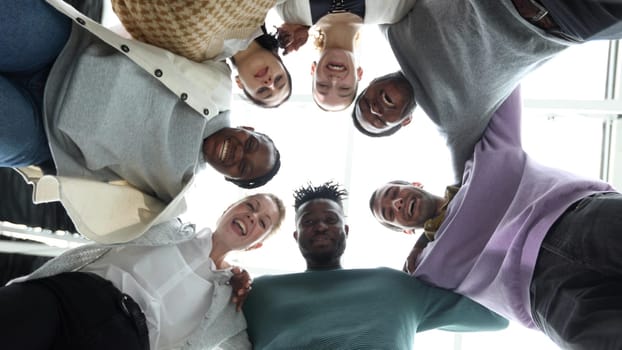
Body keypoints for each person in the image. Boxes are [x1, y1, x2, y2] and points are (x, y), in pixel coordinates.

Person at [1, 0, 281, 241]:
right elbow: (210, 23)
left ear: (230, 178)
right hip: (62, 49)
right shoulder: (218, 81)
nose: (238, 153)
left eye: (242, 167)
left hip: (39, 131)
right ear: (249, 129)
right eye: (250, 144)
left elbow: (166, 243)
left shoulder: (174, 193)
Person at [369, 88, 622, 350]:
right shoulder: (425, 269)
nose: (396, 203)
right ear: (404, 231)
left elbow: (501, 82)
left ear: (415, 183)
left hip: (580, 219)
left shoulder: (483, 159)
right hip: (548, 295)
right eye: (389, 213)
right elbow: (409, 310)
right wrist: (418, 254)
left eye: (393, 193)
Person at [352, 0, 622, 182]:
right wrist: (428, 235)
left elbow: (351, 11)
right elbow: (466, 189)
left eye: (365, 103)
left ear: (371, 82)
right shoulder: (452, 124)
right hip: (568, 22)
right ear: (405, 120)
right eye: (379, 120)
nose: (375, 109)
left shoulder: (393, 27)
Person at [1, 192, 286, 350]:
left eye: (262, 222)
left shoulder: (229, 303)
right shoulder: (165, 224)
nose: (252, 215)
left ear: (255, 246)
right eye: (251, 205)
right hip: (75, 297)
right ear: (229, 207)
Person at [242, 181, 508, 349]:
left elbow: (496, 314)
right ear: (296, 236)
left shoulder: (396, 286)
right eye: (309, 222)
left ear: (346, 230)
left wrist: (433, 247)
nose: (321, 226)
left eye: (331, 220)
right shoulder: (260, 293)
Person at [111, 0, 292, 108]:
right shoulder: (264, 4)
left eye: (263, 91)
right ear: (278, 59)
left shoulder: (189, 53)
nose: (269, 83)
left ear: (239, 83)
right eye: (279, 80)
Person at [275, 0, 417, 111]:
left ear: (313, 69)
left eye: (323, 85)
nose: (334, 80)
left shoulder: (291, 12)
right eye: (344, 88)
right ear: (359, 74)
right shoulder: (393, 10)